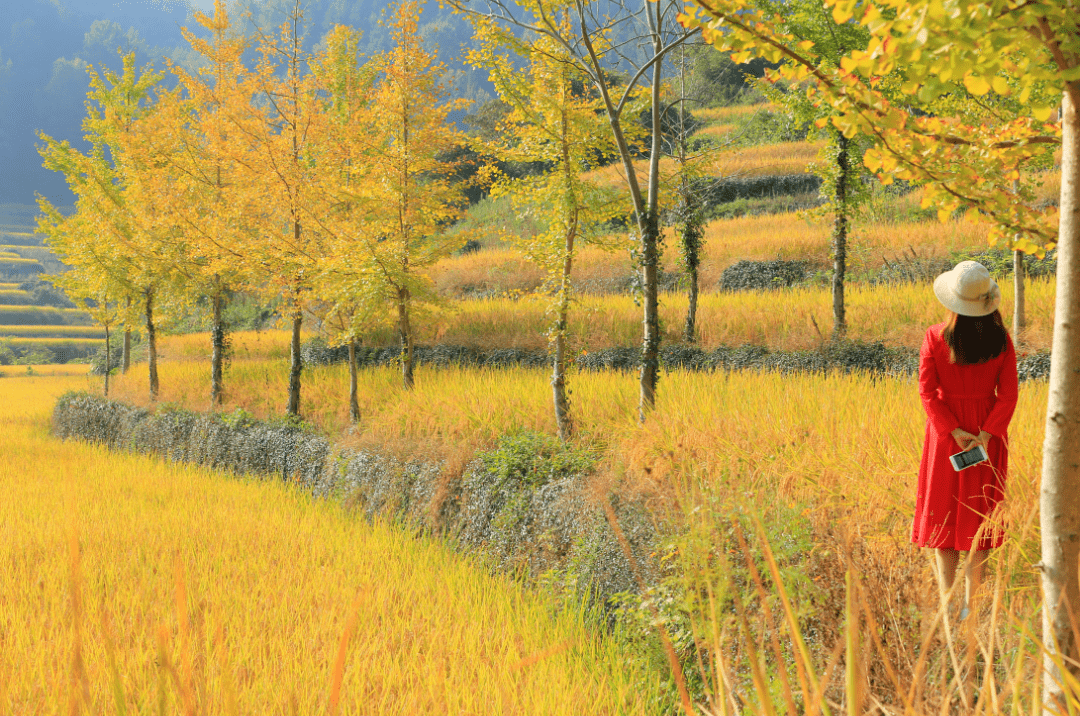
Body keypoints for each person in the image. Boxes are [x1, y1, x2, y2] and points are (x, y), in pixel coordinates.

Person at [912, 260, 1018, 619]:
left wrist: (954, 431)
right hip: (988, 436)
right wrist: (986, 434)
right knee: (980, 520)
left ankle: (949, 602)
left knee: (944, 517)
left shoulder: (934, 336)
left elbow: (927, 392)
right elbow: (1008, 395)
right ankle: (975, 608)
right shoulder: (1002, 340)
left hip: (948, 438)